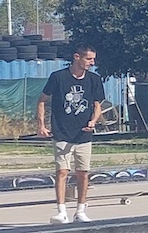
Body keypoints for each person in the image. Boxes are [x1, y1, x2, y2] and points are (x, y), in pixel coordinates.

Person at [37, 46, 106, 223]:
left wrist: (93, 121)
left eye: (93, 59)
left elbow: (97, 105)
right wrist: (42, 125)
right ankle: (61, 211)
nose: (92, 63)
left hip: (83, 135)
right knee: (62, 171)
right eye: (89, 59)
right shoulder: (58, 77)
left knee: (83, 173)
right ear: (77, 57)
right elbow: (42, 100)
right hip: (62, 132)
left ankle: (80, 210)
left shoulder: (94, 79)